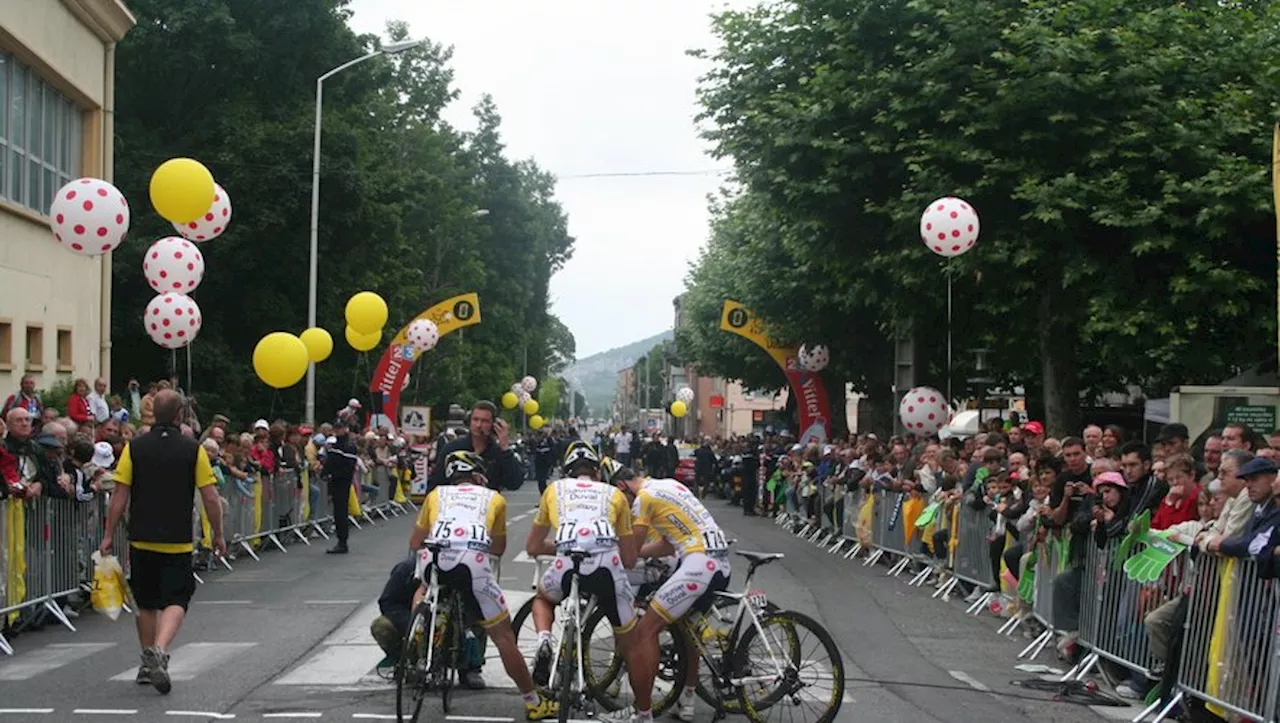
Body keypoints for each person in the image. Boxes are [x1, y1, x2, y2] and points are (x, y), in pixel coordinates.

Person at [408, 450, 558, 720]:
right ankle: (533, 701)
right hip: (470, 563)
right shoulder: (494, 498)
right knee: (503, 636)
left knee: (423, 584)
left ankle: (420, 626)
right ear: (478, 476)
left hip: (435, 558)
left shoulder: (435, 495)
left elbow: (415, 541)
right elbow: (498, 549)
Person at [98, 390, 226, 695]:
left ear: (152, 413)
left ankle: (146, 662)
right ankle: (160, 649)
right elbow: (210, 496)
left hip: (141, 537)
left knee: (146, 601)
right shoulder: (193, 450)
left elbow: (119, 494)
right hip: (178, 538)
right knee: (177, 598)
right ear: (180, 415)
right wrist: (218, 533)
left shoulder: (134, 448)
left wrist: (107, 533)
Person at [612, 467, 732, 723]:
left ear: (623, 487)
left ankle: (642, 713)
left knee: (645, 631)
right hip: (719, 563)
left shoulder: (643, 499)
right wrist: (638, 553)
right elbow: (667, 545)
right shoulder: (669, 485)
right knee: (688, 628)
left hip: (698, 565)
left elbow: (630, 553)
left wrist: (613, 556)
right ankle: (687, 700)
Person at [525, 442, 643, 699]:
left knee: (544, 599)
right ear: (598, 473)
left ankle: (544, 639)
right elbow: (630, 559)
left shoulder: (554, 490)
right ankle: (643, 713)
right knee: (631, 643)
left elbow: (533, 546)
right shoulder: (614, 494)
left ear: (566, 472)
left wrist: (562, 545)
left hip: (566, 563)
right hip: (605, 566)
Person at [428, 400, 522, 493]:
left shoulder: (497, 452)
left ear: (493, 424)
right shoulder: (452, 448)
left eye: (485, 421)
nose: (478, 425)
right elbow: (435, 482)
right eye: (475, 419)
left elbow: (514, 483)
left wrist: (505, 448)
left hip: (487, 505)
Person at [322, 418, 359, 554]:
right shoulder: (336, 445)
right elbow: (330, 462)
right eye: (336, 428)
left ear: (345, 429)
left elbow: (348, 467)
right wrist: (325, 473)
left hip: (342, 482)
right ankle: (341, 540)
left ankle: (342, 541)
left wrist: (333, 475)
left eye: (340, 428)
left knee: (341, 512)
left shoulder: (348, 446)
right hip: (336, 482)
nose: (337, 431)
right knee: (338, 512)